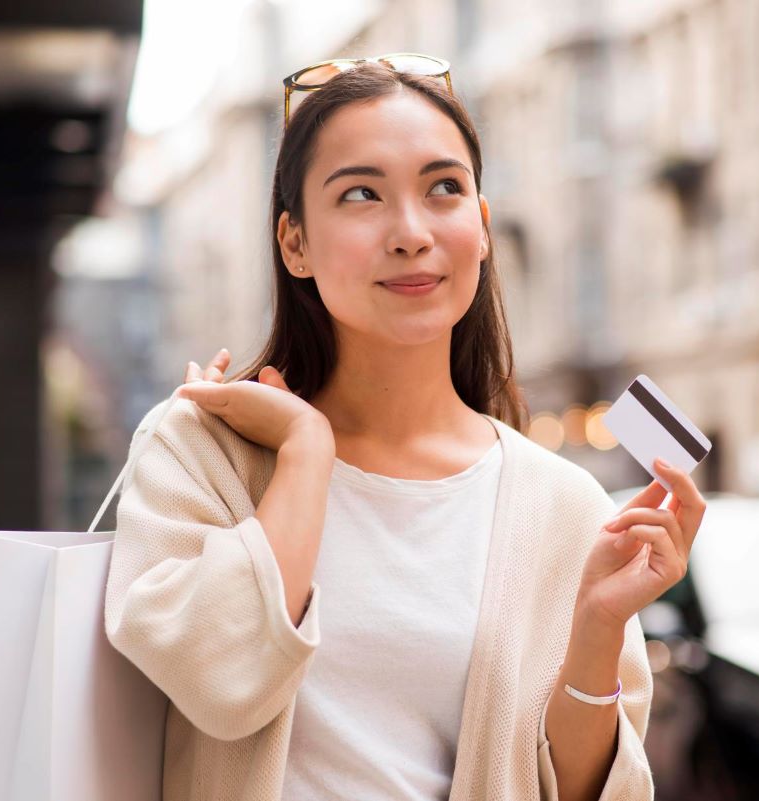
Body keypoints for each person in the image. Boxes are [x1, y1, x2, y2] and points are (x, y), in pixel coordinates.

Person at [104, 55, 706, 801]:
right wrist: (305, 454)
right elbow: (221, 684)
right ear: (294, 242)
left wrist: (596, 629)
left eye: (444, 189)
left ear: (481, 229)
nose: (412, 231)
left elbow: (591, 793)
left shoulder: (564, 504)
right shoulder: (201, 455)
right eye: (361, 193)